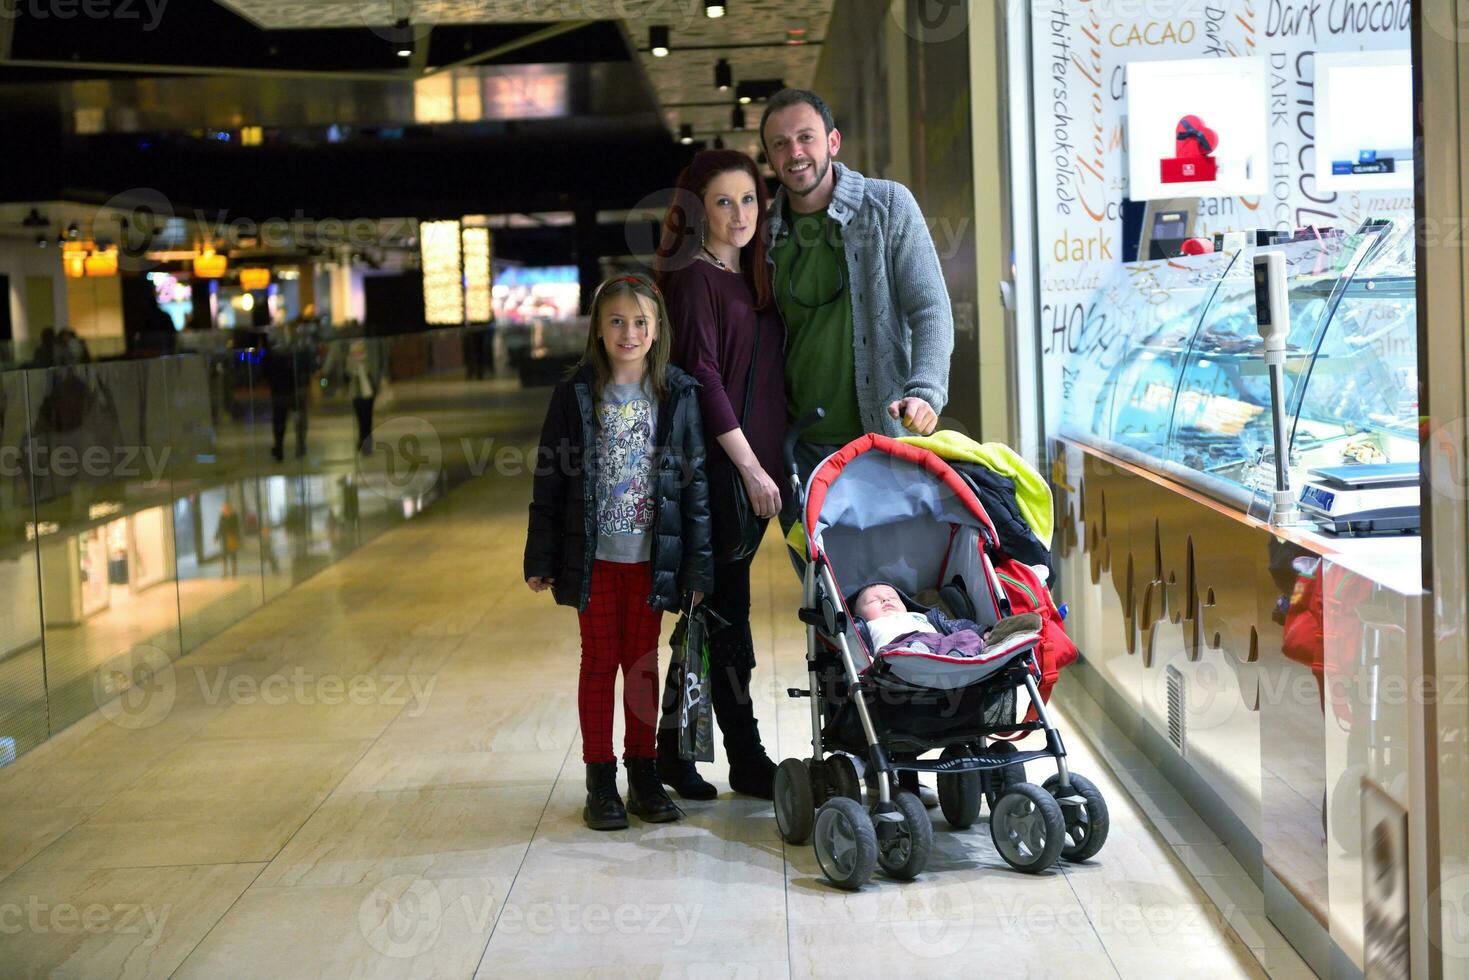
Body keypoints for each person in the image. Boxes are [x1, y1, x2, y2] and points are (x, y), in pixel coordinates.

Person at [524, 272, 714, 831]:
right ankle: (600, 779)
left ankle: (644, 775)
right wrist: (541, 557)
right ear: (598, 330)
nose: (628, 332)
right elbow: (549, 479)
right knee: (599, 662)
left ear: (656, 331)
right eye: (616, 321)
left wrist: (697, 566)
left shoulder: (677, 393)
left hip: (652, 558)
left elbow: (695, 486)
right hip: (596, 558)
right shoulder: (577, 392)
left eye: (640, 322)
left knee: (642, 665)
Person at [650, 149, 787, 802]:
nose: (739, 215)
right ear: (696, 210)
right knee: (721, 618)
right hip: (718, 476)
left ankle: (678, 751)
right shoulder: (694, 279)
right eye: (723, 202)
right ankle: (742, 755)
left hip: (753, 477)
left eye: (750, 200)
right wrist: (752, 467)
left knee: (715, 618)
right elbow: (701, 377)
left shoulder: (753, 275)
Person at [760, 87, 953, 476]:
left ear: (833, 141)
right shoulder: (764, 232)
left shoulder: (888, 205)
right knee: (807, 541)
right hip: (799, 448)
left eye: (805, 137)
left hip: (882, 437)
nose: (794, 152)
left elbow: (930, 309)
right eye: (780, 144)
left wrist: (926, 392)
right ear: (769, 158)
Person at [264, 323, 316, 462]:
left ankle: (280, 448)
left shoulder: (274, 350)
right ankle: (299, 446)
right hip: (294, 389)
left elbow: (266, 371)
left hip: (281, 390)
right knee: (298, 419)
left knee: (280, 420)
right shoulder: (299, 348)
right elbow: (309, 366)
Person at [216, 502, 242, 578]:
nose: (224, 509)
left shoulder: (234, 516)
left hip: (232, 538)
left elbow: (237, 527)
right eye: (223, 508)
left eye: (226, 507)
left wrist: (236, 536)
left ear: (229, 508)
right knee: (224, 555)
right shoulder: (222, 516)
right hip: (224, 538)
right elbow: (219, 527)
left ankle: (234, 571)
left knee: (233, 555)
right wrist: (216, 537)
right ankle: (225, 572)